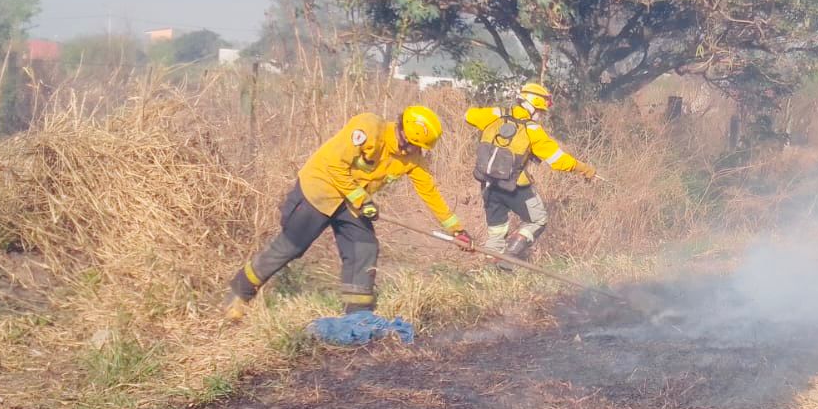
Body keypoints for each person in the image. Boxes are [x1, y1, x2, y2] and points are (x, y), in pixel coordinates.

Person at [224, 105, 474, 320]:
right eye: (414, 146)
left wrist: (456, 229)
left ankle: (357, 316)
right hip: (320, 189)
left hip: (353, 202)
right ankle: (239, 292)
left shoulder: (413, 159)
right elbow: (334, 165)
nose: (416, 152)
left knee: (364, 247)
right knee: (291, 247)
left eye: (421, 149)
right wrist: (360, 198)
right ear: (404, 135)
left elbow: (430, 193)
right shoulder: (368, 128)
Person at [464, 81, 596, 262]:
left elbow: (469, 116)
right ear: (532, 106)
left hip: (487, 185)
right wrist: (585, 169)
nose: (540, 116)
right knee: (538, 220)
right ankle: (511, 254)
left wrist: (497, 116)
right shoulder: (532, 129)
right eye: (540, 111)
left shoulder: (495, 115)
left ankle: (490, 267)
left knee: (496, 232)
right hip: (515, 187)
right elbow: (559, 161)